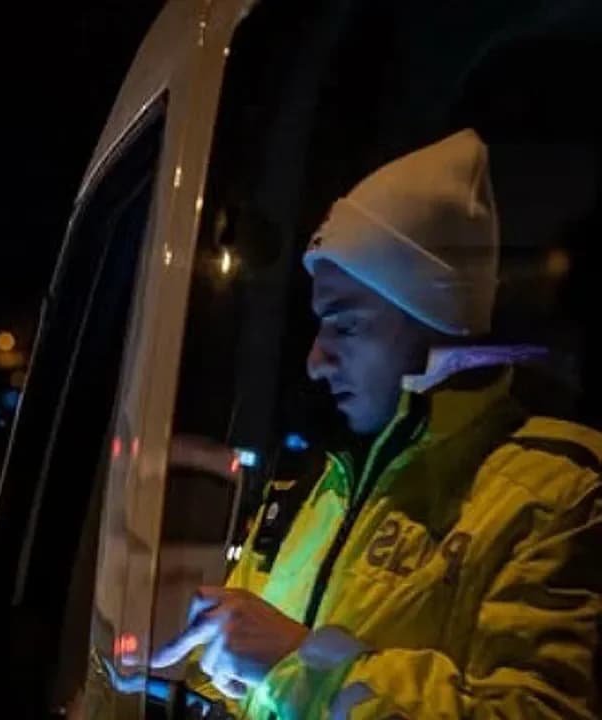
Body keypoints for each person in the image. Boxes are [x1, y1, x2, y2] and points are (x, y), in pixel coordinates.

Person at [152, 129, 601, 718]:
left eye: (345, 325)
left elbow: (538, 710)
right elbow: (244, 670)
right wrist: (199, 672)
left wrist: (303, 664)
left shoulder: (557, 494)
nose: (315, 362)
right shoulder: (320, 479)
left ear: (434, 320)